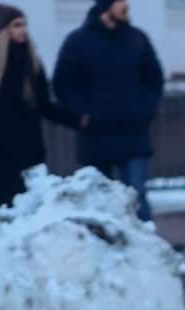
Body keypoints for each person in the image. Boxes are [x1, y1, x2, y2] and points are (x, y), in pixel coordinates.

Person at [0, 5, 77, 230]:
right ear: (4, 30)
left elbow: (44, 105)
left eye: (24, 24)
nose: (22, 30)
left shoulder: (31, 64)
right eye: (16, 25)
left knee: (30, 209)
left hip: (28, 151)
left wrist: (75, 120)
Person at [52, 0, 164, 222]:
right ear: (106, 6)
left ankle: (145, 252)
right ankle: (104, 253)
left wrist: (145, 111)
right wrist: (81, 114)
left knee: (136, 196)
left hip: (133, 133)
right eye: (120, 1)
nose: (127, 5)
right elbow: (62, 82)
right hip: (96, 134)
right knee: (99, 202)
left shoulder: (136, 39)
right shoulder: (79, 41)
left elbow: (154, 79)